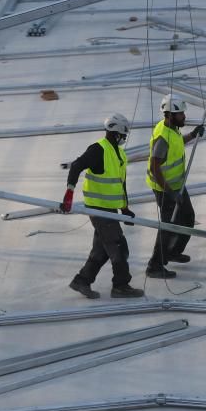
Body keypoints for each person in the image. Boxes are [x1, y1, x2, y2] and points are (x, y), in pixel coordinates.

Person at [60, 114, 144, 299]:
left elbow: (120, 183)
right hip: (98, 209)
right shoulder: (98, 149)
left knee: (102, 250)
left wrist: (124, 208)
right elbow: (76, 166)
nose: (124, 138)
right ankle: (121, 286)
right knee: (119, 246)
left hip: (110, 209)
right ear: (115, 134)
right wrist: (69, 193)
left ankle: (82, 280)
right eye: (123, 134)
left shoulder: (119, 154)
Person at [144, 95, 205, 279]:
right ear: (170, 115)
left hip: (176, 185)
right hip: (165, 188)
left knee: (187, 218)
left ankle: (172, 251)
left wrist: (193, 135)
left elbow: (178, 143)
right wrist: (170, 193)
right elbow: (155, 167)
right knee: (169, 224)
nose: (184, 117)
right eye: (180, 114)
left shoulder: (173, 129)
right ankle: (154, 265)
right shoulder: (163, 137)